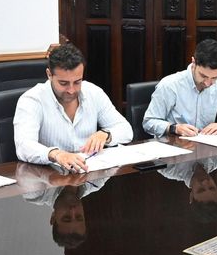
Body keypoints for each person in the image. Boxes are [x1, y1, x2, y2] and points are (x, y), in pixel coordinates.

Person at [14, 43, 133, 172]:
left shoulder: (93, 92)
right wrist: (57, 154)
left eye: (77, 82)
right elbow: (24, 146)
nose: (71, 90)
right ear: (49, 74)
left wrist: (106, 134)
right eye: (63, 83)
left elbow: (126, 130)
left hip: (89, 175)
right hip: (50, 178)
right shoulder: (32, 100)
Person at [142, 39, 217, 138]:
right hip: (173, 151)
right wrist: (174, 128)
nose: (208, 83)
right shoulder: (170, 85)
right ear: (194, 62)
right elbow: (149, 122)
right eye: (203, 76)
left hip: (204, 151)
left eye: (214, 77)